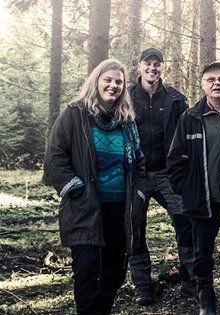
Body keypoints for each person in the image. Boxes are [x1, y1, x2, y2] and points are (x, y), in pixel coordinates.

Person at [44, 59, 147, 315]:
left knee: (114, 271)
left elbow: (139, 163)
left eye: (119, 82)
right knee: (87, 270)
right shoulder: (75, 114)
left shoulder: (127, 122)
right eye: (108, 80)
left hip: (120, 210)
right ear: (96, 81)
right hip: (85, 208)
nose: (113, 86)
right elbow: (55, 157)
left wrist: (140, 193)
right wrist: (74, 189)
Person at [169, 61, 220, 315]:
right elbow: (175, 161)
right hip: (205, 197)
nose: (217, 83)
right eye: (211, 79)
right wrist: (189, 189)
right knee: (202, 251)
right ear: (203, 84)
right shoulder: (191, 118)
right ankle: (207, 299)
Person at [128, 48, 190, 305]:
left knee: (185, 222)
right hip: (137, 174)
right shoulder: (127, 97)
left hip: (168, 174)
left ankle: (189, 280)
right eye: (148, 64)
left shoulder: (175, 99)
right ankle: (143, 285)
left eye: (157, 64)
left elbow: (187, 135)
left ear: (163, 67)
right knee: (134, 228)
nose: (152, 68)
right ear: (139, 66)